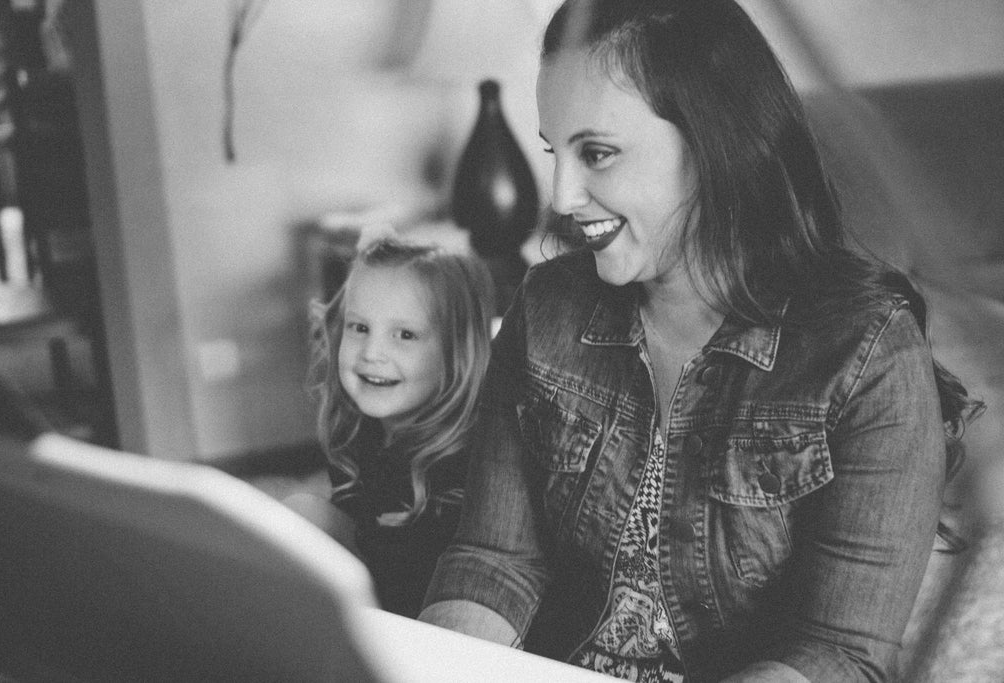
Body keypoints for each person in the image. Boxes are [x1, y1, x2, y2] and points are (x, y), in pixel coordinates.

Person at [419, 1, 984, 681]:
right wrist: (432, 668)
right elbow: (495, 558)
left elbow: (841, 653)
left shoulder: (870, 357)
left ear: (713, 144)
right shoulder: (546, 307)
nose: (562, 197)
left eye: (596, 153)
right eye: (554, 152)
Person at [308, 237, 494, 618]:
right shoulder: (359, 431)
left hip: (436, 620)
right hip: (376, 601)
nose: (371, 352)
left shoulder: (468, 462)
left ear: (456, 351)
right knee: (299, 515)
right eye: (359, 327)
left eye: (405, 335)